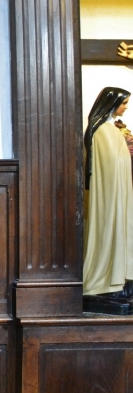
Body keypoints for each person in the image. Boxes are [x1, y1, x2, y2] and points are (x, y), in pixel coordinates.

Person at [83, 87, 133, 306]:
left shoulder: (111, 129)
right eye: (124, 103)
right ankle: (106, 282)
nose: (126, 106)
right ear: (112, 104)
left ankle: (119, 280)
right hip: (110, 194)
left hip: (119, 192)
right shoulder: (103, 130)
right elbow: (109, 166)